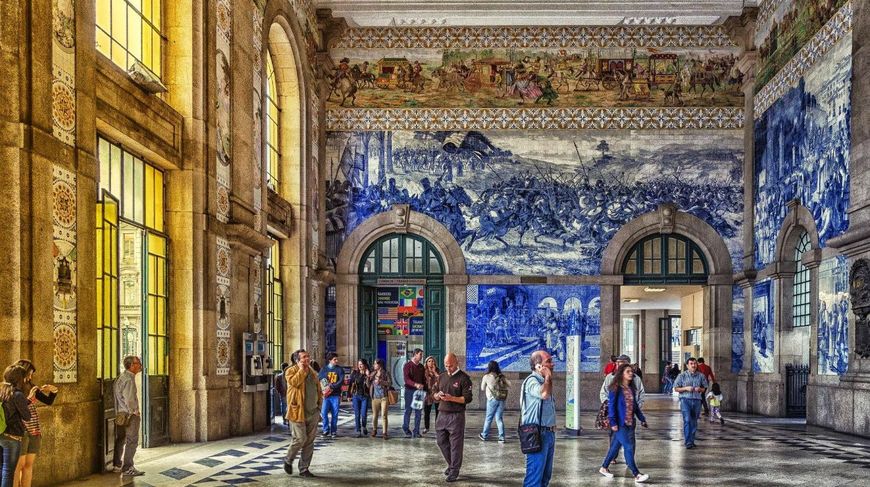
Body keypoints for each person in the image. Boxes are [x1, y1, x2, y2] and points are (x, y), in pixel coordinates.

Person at [599, 364, 650, 482]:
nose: (631, 373)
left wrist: (642, 419)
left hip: (629, 423)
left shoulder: (630, 388)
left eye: (631, 371)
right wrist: (613, 422)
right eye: (628, 371)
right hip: (620, 424)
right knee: (628, 446)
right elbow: (612, 407)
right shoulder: (615, 388)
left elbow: (635, 406)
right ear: (622, 374)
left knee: (615, 446)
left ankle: (604, 467)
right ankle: (637, 474)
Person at [13, 359, 58, 487]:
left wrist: (53, 391)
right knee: (19, 465)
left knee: (28, 464)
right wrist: (29, 399)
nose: (30, 377)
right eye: (29, 374)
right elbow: (15, 408)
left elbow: (48, 401)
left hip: (34, 428)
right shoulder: (12, 389)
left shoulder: (31, 387)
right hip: (20, 429)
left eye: (31, 374)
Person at [434, 353, 473, 483]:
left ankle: (454, 471)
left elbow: (467, 399)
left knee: (456, 445)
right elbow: (434, 392)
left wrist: (451, 398)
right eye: (446, 365)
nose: (448, 368)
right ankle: (452, 465)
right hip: (442, 413)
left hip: (456, 415)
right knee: (441, 441)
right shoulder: (441, 376)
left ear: (456, 363)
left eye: (450, 365)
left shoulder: (464, 378)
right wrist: (437, 396)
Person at [284, 349, 322, 478]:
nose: (307, 359)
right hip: (297, 411)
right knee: (300, 439)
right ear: (297, 360)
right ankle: (288, 459)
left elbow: (318, 388)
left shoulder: (312, 371)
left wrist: (319, 407)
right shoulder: (290, 371)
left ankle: (304, 468)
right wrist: (301, 370)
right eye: (304, 357)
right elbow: (294, 382)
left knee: (309, 441)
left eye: (308, 356)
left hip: (313, 412)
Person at [521, 350, 556, 487]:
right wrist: (547, 377)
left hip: (548, 433)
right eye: (548, 361)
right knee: (534, 479)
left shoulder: (544, 381)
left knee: (545, 478)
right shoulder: (532, 381)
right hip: (537, 434)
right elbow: (544, 394)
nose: (552, 364)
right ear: (538, 366)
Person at [1, 365, 33, 487]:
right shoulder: (17, 394)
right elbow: (27, 416)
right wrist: (26, 402)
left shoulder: (2, 391)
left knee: (1, 469)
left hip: (0, 434)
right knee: (8, 472)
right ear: (20, 379)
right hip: (12, 437)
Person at [112, 356, 144, 477]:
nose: (140, 364)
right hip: (129, 415)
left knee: (121, 439)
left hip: (120, 414)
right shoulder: (129, 380)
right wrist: (135, 411)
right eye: (137, 362)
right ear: (131, 365)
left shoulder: (121, 377)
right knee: (132, 440)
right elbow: (129, 399)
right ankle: (127, 467)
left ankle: (117, 465)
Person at [673, 357, 708, 449]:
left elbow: (704, 388)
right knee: (687, 420)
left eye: (695, 363)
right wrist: (685, 388)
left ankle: (691, 440)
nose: (693, 365)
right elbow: (676, 388)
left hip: (697, 400)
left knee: (694, 421)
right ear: (687, 365)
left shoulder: (701, 376)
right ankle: (688, 442)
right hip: (685, 400)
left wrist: (700, 389)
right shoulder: (682, 376)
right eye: (691, 364)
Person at [479, 360, 507, 442]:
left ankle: (484, 435)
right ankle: (501, 437)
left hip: (492, 399)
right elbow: (508, 385)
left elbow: (482, 388)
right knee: (499, 418)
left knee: (489, 418)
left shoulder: (486, 376)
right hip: (501, 398)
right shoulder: (501, 376)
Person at [318, 353, 344, 438]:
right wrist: (324, 389)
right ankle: (325, 430)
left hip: (335, 395)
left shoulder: (339, 370)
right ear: (330, 360)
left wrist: (332, 386)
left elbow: (341, 381)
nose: (337, 361)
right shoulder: (324, 369)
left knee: (335, 414)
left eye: (336, 359)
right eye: (334, 359)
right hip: (326, 396)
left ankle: (333, 431)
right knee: (323, 413)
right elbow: (320, 379)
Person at [402, 348, 426, 438]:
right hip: (409, 391)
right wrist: (415, 384)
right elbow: (406, 379)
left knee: (418, 412)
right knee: (408, 410)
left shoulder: (421, 367)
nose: (421, 356)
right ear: (415, 354)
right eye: (420, 354)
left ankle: (416, 431)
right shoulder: (407, 365)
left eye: (422, 355)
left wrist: (425, 389)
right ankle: (405, 428)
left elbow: (423, 379)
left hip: (419, 392)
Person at [368, 359, 392, 439]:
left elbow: (390, 383)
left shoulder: (386, 373)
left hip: (384, 397)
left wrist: (381, 381)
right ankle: (374, 430)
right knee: (375, 415)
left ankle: (384, 432)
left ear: (380, 365)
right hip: (375, 397)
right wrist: (368, 377)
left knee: (384, 415)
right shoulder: (373, 373)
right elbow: (368, 385)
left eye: (375, 364)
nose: (374, 365)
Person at [349, 359, 371, 437]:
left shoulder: (368, 373)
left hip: (365, 396)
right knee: (357, 414)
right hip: (356, 395)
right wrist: (349, 395)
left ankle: (364, 426)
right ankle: (358, 430)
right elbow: (351, 384)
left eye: (361, 364)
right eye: (358, 364)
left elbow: (369, 386)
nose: (359, 366)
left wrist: (368, 376)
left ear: (365, 365)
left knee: (364, 414)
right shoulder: (355, 373)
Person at [423, 355, 440, 434]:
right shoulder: (424, 371)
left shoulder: (438, 370)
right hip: (428, 393)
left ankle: (438, 427)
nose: (431, 363)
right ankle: (426, 427)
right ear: (426, 363)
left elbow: (441, 380)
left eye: (432, 361)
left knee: (438, 411)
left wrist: (435, 372)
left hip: (436, 392)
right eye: (429, 361)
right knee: (427, 412)